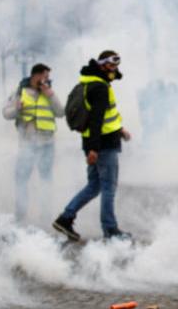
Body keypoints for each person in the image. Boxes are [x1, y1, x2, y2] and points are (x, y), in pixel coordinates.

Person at [52, 51, 132, 241]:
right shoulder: (100, 87)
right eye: (111, 66)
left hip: (95, 142)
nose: (114, 70)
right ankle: (110, 230)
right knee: (108, 188)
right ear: (102, 65)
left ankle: (65, 218)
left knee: (94, 186)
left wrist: (120, 129)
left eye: (116, 66)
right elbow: (96, 120)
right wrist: (94, 149)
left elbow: (105, 116)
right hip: (103, 144)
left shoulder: (91, 82)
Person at [1, 63, 64, 222]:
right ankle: (20, 215)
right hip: (27, 145)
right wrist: (17, 108)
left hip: (47, 144)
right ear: (35, 75)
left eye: (48, 77)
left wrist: (50, 95)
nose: (47, 80)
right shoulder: (21, 91)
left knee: (46, 181)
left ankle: (46, 215)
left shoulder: (49, 92)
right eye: (45, 76)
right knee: (21, 179)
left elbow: (61, 112)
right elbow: (6, 114)